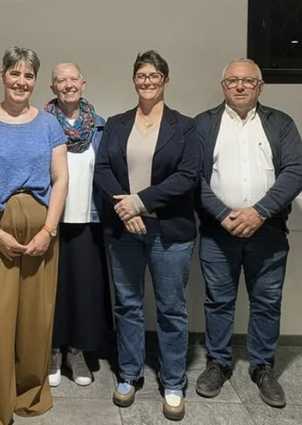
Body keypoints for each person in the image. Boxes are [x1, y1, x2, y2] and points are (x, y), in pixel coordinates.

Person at [0, 47, 68, 425]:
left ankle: (30, 394)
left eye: (28, 76)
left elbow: (61, 179)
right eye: (15, 74)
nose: (21, 82)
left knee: (35, 318)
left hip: (40, 231)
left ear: (35, 81)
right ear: (2, 76)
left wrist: (49, 231)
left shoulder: (49, 125)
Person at [193, 59, 302, 409]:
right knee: (218, 301)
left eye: (247, 81)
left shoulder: (280, 123)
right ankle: (218, 363)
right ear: (223, 86)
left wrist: (259, 212)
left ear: (260, 86)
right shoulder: (203, 124)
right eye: (232, 81)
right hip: (218, 231)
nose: (240, 86)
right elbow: (191, 176)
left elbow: (295, 172)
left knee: (267, 302)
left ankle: (263, 367)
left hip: (268, 231)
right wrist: (222, 213)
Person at [94, 50, 199, 421]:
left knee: (171, 309)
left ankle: (173, 382)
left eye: (155, 75)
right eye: (141, 75)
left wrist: (139, 203)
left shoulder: (185, 127)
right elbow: (102, 169)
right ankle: (129, 374)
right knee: (128, 305)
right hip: (124, 229)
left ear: (166, 81)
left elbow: (187, 176)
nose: (148, 81)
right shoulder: (117, 123)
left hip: (169, 232)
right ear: (134, 81)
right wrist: (126, 211)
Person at [43, 62, 111, 388]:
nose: (68, 84)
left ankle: (77, 352)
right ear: (53, 87)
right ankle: (53, 350)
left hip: (89, 219)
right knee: (53, 291)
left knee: (84, 291)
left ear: (83, 83)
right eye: (61, 80)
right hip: (51, 220)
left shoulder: (100, 127)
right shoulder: (41, 124)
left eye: (73, 79)